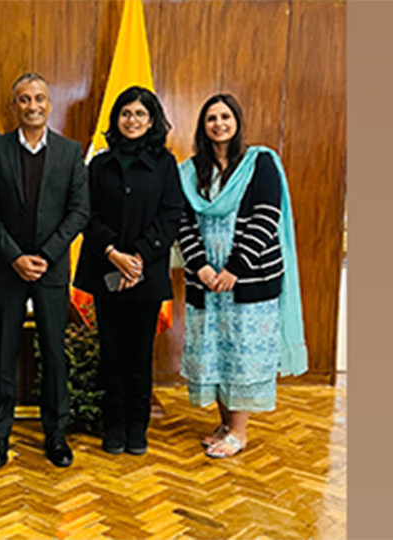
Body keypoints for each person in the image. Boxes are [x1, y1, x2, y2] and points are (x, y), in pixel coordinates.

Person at [175, 94, 308, 458]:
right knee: (214, 352)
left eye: (225, 116)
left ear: (237, 122)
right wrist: (200, 265)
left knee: (243, 353)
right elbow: (182, 221)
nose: (219, 123)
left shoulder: (259, 163)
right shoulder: (189, 172)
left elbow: (267, 217)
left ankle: (239, 431)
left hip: (247, 279)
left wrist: (235, 268)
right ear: (203, 126)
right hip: (206, 280)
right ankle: (222, 423)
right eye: (211, 118)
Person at [0, 73, 90, 469]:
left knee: (54, 355)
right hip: (9, 270)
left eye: (39, 98)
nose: (33, 105)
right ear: (15, 106)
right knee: (3, 352)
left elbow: (80, 210)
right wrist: (15, 257)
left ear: (49, 103)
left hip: (52, 269)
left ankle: (56, 435)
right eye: (24, 99)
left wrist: (46, 253)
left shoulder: (70, 152)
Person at [73, 86, 184, 456]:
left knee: (139, 355)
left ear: (151, 121)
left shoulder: (166, 164)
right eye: (126, 113)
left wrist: (136, 256)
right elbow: (86, 214)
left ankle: (138, 427)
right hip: (107, 269)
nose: (132, 120)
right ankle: (114, 425)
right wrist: (113, 253)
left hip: (146, 274)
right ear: (116, 119)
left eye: (140, 114)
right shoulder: (99, 164)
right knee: (112, 353)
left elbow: (171, 216)